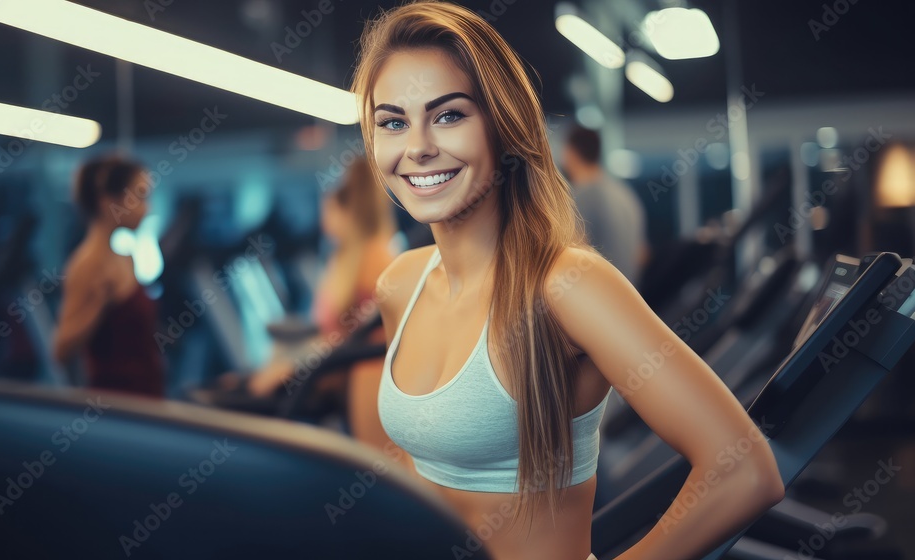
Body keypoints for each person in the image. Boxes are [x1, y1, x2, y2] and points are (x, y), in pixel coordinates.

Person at [351, 3, 784, 560]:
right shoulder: (400, 285)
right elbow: (418, 473)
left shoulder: (567, 284)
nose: (417, 147)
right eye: (392, 122)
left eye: (449, 115)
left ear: (503, 124)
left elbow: (745, 470)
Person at [244, 157, 399, 451]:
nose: (323, 219)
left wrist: (293, 368)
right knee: (235, 387)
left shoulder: (375, 259)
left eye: (327, 210)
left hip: (356, 374)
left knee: (252, 391)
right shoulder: (343, 260)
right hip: (334, 365)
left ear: (345, 211)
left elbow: (361, 341)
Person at [53, 155, 165, 398]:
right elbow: (61, 350)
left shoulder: (126, 258)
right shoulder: (87, 265)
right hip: (114, 406)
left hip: (147, 395)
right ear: (108, 202)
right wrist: (97, 305)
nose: (148, 208)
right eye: (141, 196)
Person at [562, 125, 648, 285]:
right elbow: (641, 254)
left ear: (570, 154)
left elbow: (568, 258)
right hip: (628, 295)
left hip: (597, 299)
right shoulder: (625, 194)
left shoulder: (583, 196)